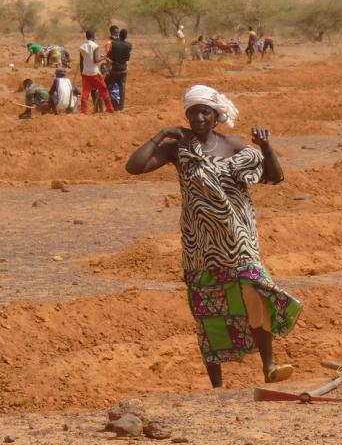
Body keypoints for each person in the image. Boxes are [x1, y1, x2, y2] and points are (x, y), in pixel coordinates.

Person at [124, 84, 301, 387]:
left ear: (216, 115)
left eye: (205, 112)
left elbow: (274, 176)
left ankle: (269, 365)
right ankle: (216, 385)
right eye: (193, 112)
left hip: (239, 240)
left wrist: (266, 147)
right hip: (200, 245)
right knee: (206, 308)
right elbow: (134, 167)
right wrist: (162, 134)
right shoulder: (179, 149)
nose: (199, 118)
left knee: (255, 293)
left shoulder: (233, 145)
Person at [78, 30, 113, 114]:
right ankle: (110, 109)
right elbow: (96, 60)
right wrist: (104, 58)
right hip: (94, 72)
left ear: (86, 37)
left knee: (85, 92)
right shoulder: (95, 46)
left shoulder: (82, 47)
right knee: (103, 89)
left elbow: (81, 62)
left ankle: (83, 111)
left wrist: (82, 73)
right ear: (93, 36)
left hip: (85, 72)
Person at [106, 28, 132, 111]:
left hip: (114, 70)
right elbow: (127, 58)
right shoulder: (129, 45)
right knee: (122, 89)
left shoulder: (113, 43)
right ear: (126, 36)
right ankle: (121, 107)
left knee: (108, 86)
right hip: (123, 70)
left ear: (119, 35)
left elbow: (109, 55)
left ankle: (109, 105)